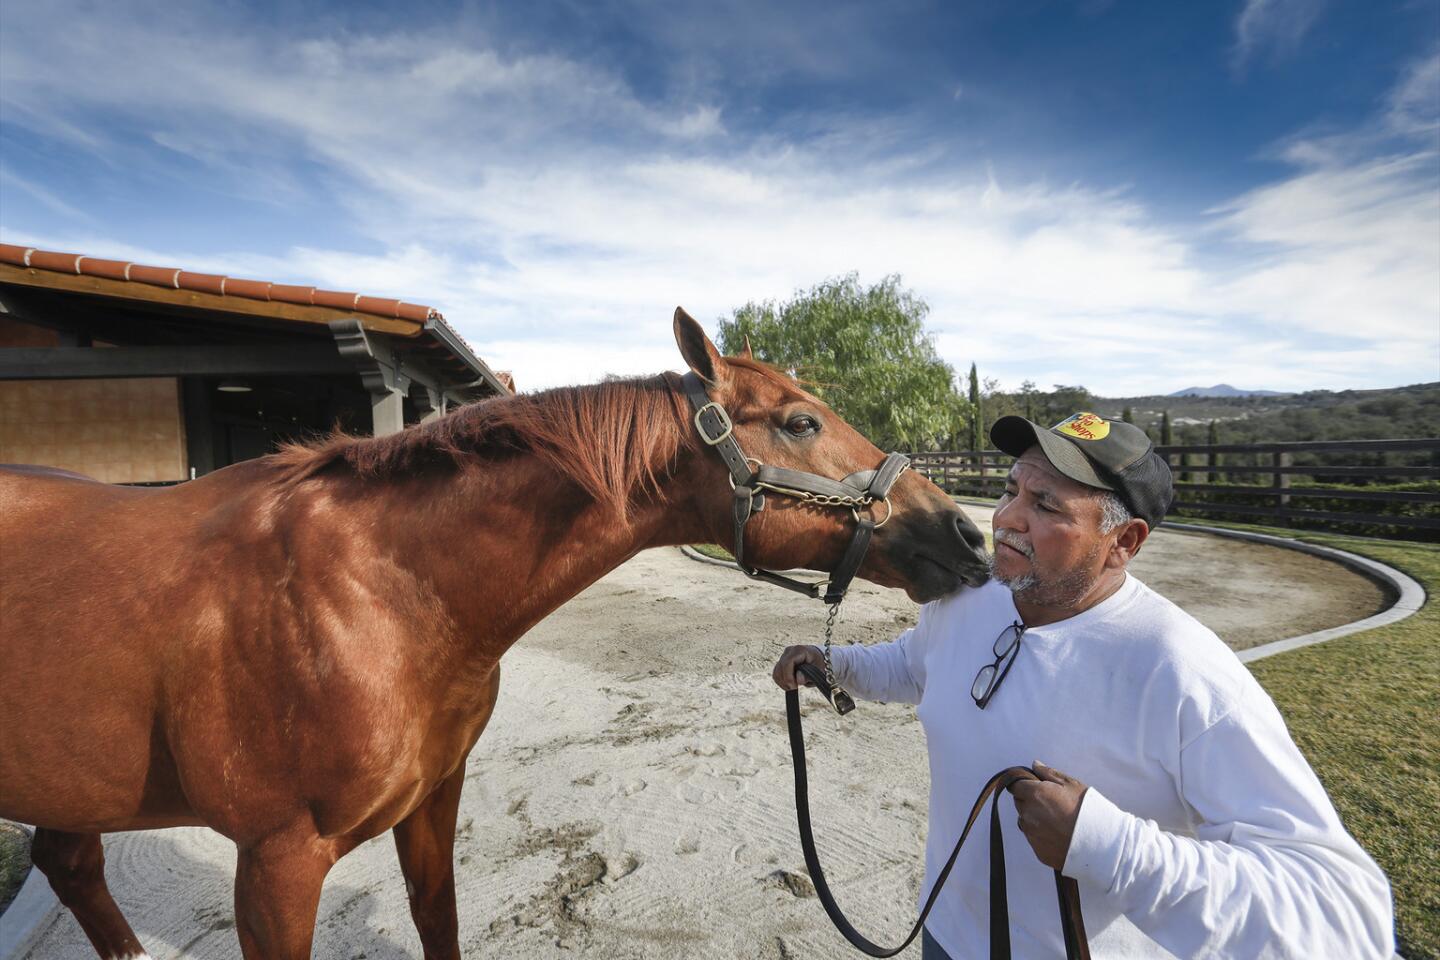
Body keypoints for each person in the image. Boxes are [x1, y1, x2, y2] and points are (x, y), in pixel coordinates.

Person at [773, 412, 1394, 959]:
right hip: (945, 934)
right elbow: (918, 664)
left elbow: (1344, 916)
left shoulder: (1180, 670)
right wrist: (841, 665)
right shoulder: (974, 595)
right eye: (1012, 489)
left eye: (1047, 506)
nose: (1007, 518)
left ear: (1123, 542)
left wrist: (1108, 846)